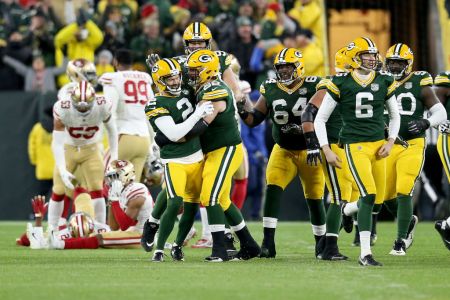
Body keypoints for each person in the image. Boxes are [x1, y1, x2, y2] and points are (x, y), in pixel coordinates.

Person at [314, 37, 400, 266]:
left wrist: (390, 142)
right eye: (367, 55)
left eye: (373, 55)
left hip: (378, 146)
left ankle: (348, 209)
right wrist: (326, 149)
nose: (372, 59)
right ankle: (365, 253)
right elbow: (320, 119)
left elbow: (395, 115)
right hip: (355, 145)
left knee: (378, 202)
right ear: (355, 58)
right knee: (369, 195)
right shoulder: (340, 83)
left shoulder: (384, 80)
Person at [237, 47, 326, 258]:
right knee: (273, 190)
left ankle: (321, 244)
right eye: (281, 67)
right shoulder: (270, 87)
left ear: (299, 67)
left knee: (315, 198)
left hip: (309, 149)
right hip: (283, 149)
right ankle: (268, 244)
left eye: (288, 67)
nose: (284, 71)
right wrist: (242, 106)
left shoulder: (315, 84)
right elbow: (254, 119)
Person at [186, 49, 260, 262]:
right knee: (223, 200)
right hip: (216, 151)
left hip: (226, 149)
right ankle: (249, 244)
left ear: (207, 71)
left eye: (195, 70)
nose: (191, 74)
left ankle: (219, 248)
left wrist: (179, 136)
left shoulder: (214, 89)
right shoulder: (204, 87)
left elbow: (203, 122)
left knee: (210, 196)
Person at [145, 58, 213, 262]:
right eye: (169, 79)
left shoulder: (186, 89)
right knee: (175, 202)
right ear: (158, 81)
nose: (175, 82)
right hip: (175, 160)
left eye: (176, 77)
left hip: (197, 157)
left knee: (192, 206)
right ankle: (159, 248)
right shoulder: (154, 103)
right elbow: (175, 133)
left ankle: (177, 246)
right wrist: (198, 114)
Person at [381, 43, 446, 255]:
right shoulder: (379, 82)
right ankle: (408, 222)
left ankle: (400, 240)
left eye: (399, 63)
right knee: (385, 195)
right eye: (391, 62)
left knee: (404, 187)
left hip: (413, 143)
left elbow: (440, 113)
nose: (394, 67)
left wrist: (426, 123)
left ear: (408, 64)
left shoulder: (420, 81)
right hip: (389, 144)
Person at [301, 46, 358, 260]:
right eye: (361, 57)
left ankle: (326, 243)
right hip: (332, 145)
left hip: (351, 147)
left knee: (352, 195)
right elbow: (309, 113)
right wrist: (314, 144)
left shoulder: (361, 85)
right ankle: (329, 248)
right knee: (339, 196)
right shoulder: (330, 85)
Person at [49, 81, 118, 230]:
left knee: (96, 188)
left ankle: (100, 228)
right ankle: (52, 228)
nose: (82, 108)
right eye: (79, 105)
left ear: (93, 99)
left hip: (90, 149)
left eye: (86, 105)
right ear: (71, 100)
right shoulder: (63, 107)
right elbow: (57, 142)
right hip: (69, 148)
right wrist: (61, 168)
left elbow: (113, 131)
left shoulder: (103, 104)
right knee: (59, 188)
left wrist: (114, 158)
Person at [46, 160, 153, 250]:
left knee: (99, 238)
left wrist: (115, 200)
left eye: (115, 177)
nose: (111, 181)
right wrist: (112, 201)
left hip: (143, 236)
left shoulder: (138, 192)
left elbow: (124, 226)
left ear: (126, 176)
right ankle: (60, 240)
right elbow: (114, 227)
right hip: (132, 232)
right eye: (110, 177)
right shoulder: (122, 191)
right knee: (92, 234)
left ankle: (61, 244)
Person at [99, 49, 154, 182]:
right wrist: (152, 146)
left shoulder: (113, 79)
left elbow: (108, 112)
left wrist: (100, 139)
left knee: (98, 178)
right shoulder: (144, 79)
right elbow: (152, 112)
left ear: (115, 62)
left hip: (124, 137)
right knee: (131, 190)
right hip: (144, 140)